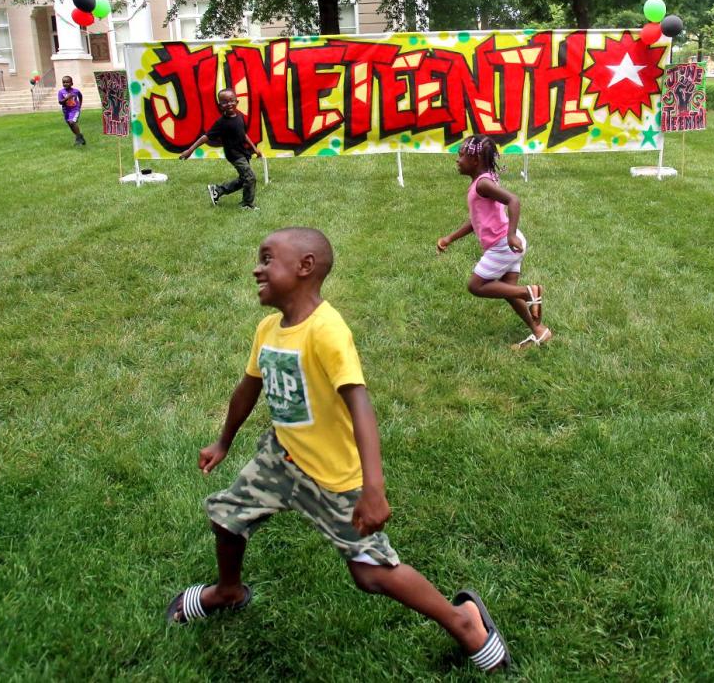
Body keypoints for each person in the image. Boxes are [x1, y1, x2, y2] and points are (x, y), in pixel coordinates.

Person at [166, 227, 510, 674]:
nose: (257, 268)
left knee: (370, 574)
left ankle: (464, 622)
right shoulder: (268, 329)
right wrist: (224, 441)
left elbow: (360, 405)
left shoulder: (327, 331)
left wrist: (374, 487)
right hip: (281, 457)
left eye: (268, 259)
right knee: (227, 519)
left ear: (305, 267)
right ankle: (227, 591)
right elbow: (247, 389)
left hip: (331, 477)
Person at [437, 134, 551, 349]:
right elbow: (475, 221)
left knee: (476, 286)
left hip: (504, 245)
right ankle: (539, 330)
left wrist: (511, 234)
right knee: (508, 290)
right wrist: (449, 238)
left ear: (475, 161)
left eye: (461, 156)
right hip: (509, 245)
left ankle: (530, 292)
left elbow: (513, 200)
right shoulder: (483, 180)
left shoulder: (483, 184)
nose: (457, 160)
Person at [179, 88, 263, 210]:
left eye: (231, 101)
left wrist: (254, 149)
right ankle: (247, 204)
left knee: (243, 179)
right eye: (224, 102)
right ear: (220, 105)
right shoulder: (222, 122)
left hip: (243, 152)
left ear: (237, 101)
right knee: (250, 178)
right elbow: (205, 137)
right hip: (234, 155)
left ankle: (217, 191)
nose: (229, 104)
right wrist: (189, 151)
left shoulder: (239, 116)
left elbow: (243, 134)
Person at [56, 76, 85, 146]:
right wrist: (66, 98)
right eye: (64, 82)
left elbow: (80, 96)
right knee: (70, 125)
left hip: (75, 109)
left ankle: (78, 139)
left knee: (72, 122)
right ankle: (80, 136)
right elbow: (60, 102)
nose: (65, 83)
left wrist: (79, 105)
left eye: (67, 82)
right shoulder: (61, 92)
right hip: (66, 111)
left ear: (71, 83)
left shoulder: (76, 91)